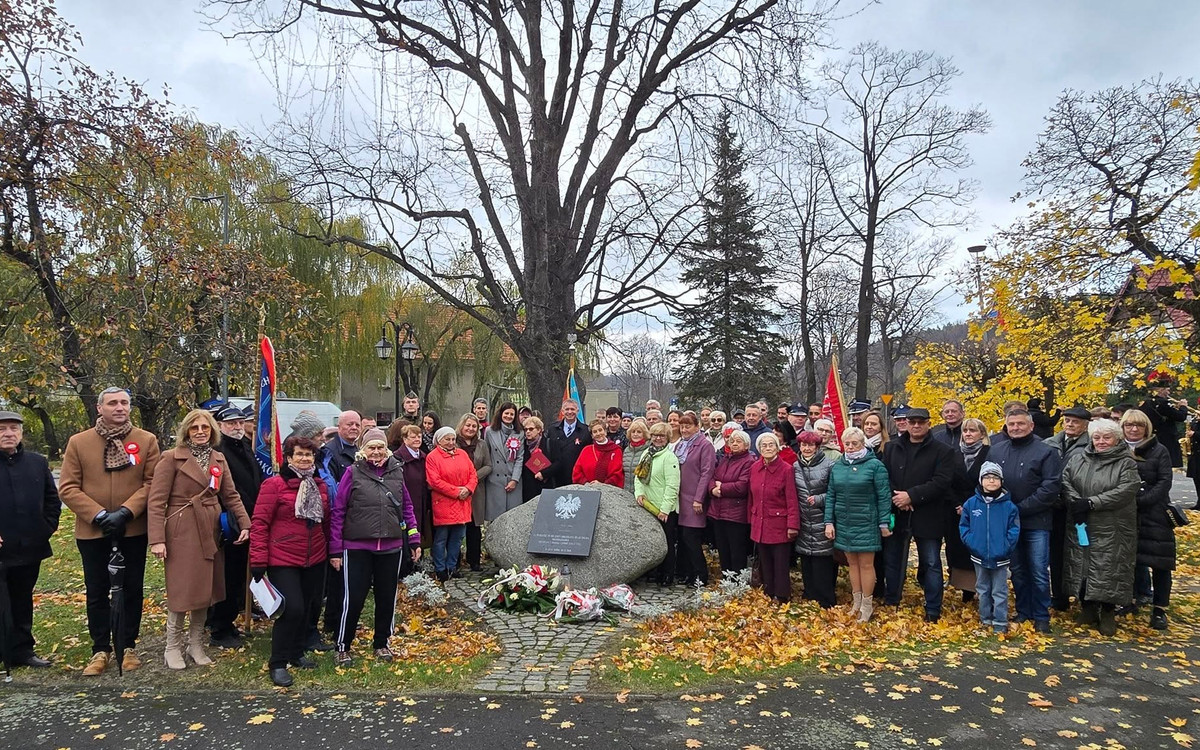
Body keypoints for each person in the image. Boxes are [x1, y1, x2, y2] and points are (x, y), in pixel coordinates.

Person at [59, 386, 161, 675]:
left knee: (132, 589)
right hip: (94, 531)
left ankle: (128, 646)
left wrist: (127, 511)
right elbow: (67, 487)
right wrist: (100, 514)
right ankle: (100, 649)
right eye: (113, 403)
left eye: (125, 403)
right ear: (99, 408)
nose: (120, 408)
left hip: (132, 529)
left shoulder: (146, 440)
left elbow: (153, 482)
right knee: (96, 590)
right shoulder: (79, 443)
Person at [147, 408, 251, 670]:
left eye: (205, 428)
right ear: (186, 431)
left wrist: (246, 524)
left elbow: (231, 495)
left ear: (212, 431)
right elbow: (157, 501)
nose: (201, 432)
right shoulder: (171, 458)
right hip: (181, 529)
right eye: (195, 428)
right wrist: (157, 539)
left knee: (208, 589)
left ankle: (195, 644)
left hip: (211, 529)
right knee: (183, 588)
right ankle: (172, 646)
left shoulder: (218, 458)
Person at [328, 428, 421, 666]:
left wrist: (413, 538)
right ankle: (343, 645)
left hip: (390, 546)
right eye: (372, 447)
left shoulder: (396, 472)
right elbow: (339, 511)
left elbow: (406, 507)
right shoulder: (352, 473)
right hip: (357, 546)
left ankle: (381, 643)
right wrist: (336, 549)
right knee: (354, 598)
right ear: (363, 450)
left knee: (386, 597)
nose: (377, 452)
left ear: (387, 449)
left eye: (380, 447)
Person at [250, 436, 331, 686]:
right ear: (288, 458)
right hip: (282, 557)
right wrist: (258, 559)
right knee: (292, 608)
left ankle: (296, 653)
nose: (305, 459)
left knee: (307, 608)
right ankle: (278, 662)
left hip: (315, 557)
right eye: (300, 454)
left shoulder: (320, 485)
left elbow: (325, 522)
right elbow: (260, 523)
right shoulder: (274, 485)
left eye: (309, 455)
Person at [1061, 419, 1140, 636]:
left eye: (1106, 437)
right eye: (1097, 437)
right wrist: (1076, 501)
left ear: (1116, 439)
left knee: (1109, 568)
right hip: (1082, 521)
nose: (1101, 442)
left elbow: (1127, 489)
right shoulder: (1079, 458)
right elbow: (1066, 479)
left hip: (1113, 525)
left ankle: (1107, 613)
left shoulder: (1126, 462)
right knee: (1082, 565)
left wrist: (1093, 502)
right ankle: (1087, 608)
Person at [987, 408, 1062, 633]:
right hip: (1008, 522)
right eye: (1012, 425)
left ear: (1030, 426)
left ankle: (1041, 615)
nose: (1016, 428)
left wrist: (1020, 508)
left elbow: (1050, 487)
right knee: (1018, 569)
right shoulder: (997, 451)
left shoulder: (1046, 451)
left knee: (1038, 569)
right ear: (1006, 427)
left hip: (1036, 521)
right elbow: (988, 481)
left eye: (1020, 424)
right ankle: (1024, 610)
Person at [880, 407, 957, 622]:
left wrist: (912, 496)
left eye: (920, 422)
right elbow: (884, 476)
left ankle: (933, 608)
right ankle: (891, 599)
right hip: (898, 510)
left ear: (928, 424)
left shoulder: (943, 451)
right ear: (903, 423)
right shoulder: (892, 448)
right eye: (911, 421)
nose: (915, 426)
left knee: (931, 562)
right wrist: (899, 498)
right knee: (893, 559)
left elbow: (941, 481)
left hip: (928, 513)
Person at [0, 410, 61, 668]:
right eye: (2, 429)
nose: (8, 434)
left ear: (21, 433)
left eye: (14, 428)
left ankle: (22, 651)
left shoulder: (36, 462)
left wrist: (44, 528)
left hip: (29, 547)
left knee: (22, 599)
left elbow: (51, 500)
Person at [208, 403, 263, 649]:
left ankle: (229, 619)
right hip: (230, 522)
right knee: (227, 576)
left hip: (248, 519)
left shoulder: (244, 448)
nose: (237, 427)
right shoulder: (218, 451)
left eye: (240, 422)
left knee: (239, 574)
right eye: (231, 423)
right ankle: (220, 626)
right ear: (220, 426)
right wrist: (245, 515)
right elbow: (228, 490)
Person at [826, 427, 893, 622]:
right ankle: (856, 602)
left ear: (863, 443)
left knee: (866, 564)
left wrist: (883, 522)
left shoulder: (875, 466)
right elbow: (831, 495)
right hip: (844, 521)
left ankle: (867, 604)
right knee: (852, 563)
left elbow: (884, 496)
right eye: (847, 443)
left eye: (855, 443)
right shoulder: (838, 466)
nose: (851, 447)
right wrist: (829, 522)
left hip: (866, 521)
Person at [1120, 409, 1176, 630]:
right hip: (1126, 513)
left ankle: (1160, 609)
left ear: (1146, 428)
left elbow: (1164, 481)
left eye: (1139, 426)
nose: (1134, 429)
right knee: (1131, 560)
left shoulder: (1159, 450)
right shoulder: (1118, 449)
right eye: (1129, 425)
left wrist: (1142, 500)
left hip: (1155, 513)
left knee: (1161, 563)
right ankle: (1131, 600)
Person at [958, 461, 1020, 634]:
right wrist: (971, 542)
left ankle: (1000, 622)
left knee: (999, 591)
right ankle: (986, 619)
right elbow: (964, 525)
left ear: (1001, 481)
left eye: (995, 478)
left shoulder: (1009, 506)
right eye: (987, 477)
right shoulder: (971, 504)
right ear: (981, 480)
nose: (991, 481)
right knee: (983, 588)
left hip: (1000, 556)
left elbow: (1014, 530)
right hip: (979, 555)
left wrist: (1006, 547)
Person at [318, 409, 361, 647]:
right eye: (349, 425)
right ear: (339, 427)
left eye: (357, 424)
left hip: (357, 522)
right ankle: (333, 621)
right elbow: (331, 488)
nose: (354, 428)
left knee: (348, 575)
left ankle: (342, 617)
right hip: (339, 520)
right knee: (337, 576)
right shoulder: (330, 452)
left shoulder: (359, 451)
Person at [1044, 405, 1091, 610]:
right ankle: (1059, 596)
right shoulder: (1051, 443)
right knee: (1056, 553)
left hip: (1079, 508)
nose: (1070, 425)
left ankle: (1084, 596)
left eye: (1075, 422)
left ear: (1086, 425)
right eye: (1067, 421)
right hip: (1054, 508)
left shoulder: (1091, 445)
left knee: (1081, 552)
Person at [748, 433, 800, 603]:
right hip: (760, 521)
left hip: (779, 523)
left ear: (777, 448)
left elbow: (792, 499)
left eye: (771, 445)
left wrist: (793, 525)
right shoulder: (755, 468)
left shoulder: (786, 469)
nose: (768, 448)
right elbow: (751, 496)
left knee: (780, 562)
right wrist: (751, 519)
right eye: (764, 445)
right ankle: (769, 592)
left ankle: (782, 595)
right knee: (765, 560)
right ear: (759, 448)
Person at [426, 425, 477, 582]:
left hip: (463, 503)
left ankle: (452, 566)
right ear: (439, 441)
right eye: (447, 439)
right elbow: (434, 481)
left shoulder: (462, 454)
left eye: (453, 439)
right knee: (441, 538)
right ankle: (440, 568)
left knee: (457, 538)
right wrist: (456, 492)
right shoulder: (433, 457)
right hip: (444, 503)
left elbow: (473, 474)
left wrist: (468, 489)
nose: (450, 442)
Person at [947, 417, 990, 602]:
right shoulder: (954, 454)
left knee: (979, 549)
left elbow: (991, 482)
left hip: (982, 508)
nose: (968, 434)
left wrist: (971, 506)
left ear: (982, 433)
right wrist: (958, 504)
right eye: (965, 431)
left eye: (973, 430)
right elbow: (947, 481)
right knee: (959, 549)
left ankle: (984, 589)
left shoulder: (990, 453)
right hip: (957, 509)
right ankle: (966, 589)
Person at [634, 422, 681, 586]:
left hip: (663, 509)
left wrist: (665, 509)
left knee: (667, 543)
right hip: (648, 505)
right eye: (655, 435)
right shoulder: (646, 453)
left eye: (661, 436)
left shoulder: (669, 457)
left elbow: (673, 486)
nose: (658, 438)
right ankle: (654, 572)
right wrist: (639, 493)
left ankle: (667, 575)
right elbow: (638, 476)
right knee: (652, 541)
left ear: (667, 438)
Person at [793, 430, 835, 608]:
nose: (806, 448)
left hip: (821, 517)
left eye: (810, 445)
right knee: (806, 557)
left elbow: (835, 492)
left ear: (817, 447)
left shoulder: (829, 465)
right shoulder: (795, 466)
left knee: (822, 559)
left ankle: (825, 598)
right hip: (803, 517)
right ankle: (809, 593)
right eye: (803, 445)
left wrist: (819, 499)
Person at [674, 412, 716, 586]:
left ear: (697, 427)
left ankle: (701, 575)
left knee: (692, 538)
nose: (684, 429)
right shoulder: (680, 445)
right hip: (680, 497)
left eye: (688, 426)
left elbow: (707, 472)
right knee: (683, 540)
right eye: (682, 426)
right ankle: (688, 573)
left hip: (694, 498)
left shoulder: (704, 445)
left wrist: (699, 498)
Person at [708, 429, 753, 575]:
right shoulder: (725, 458)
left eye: (738, 441)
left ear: (746, 445)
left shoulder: (749, 461)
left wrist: (722, 488)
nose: (734, 444)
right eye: (732, 441)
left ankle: (737, 581)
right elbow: (713, 477)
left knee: (736, 550)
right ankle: (726, 578)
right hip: (718, 511)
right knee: (723, 549)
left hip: (736, 514)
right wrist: (713, 489)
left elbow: (742, 486)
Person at [394, 424, 432, 571]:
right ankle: (406, 568)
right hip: (408, 502)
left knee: (419, 533)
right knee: (408, 532)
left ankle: (418, 564)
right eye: (413, 436)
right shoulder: (398, 458)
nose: (417, 439)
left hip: (422, 501)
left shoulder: (423, 457)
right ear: (404, 439)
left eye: (419, 436)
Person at [457, 414, 492, 572]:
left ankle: (474, 560)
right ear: (462, 426)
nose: (470, 429)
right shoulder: (453, 442)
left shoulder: (482, 444)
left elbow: (488, 465)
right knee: (457, 527)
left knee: (474, 527)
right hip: (458, 490)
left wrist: (473, 477)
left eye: (474, 426)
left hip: (476, 490)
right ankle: (455, 561)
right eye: (468, 425)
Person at [484, 402, 524, 521]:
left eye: (512, 414)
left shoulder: (520, 433)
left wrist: (514, 480)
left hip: (513, 480)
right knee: (495, 518)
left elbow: (519, 458)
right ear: (501, 413)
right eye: (506, 413)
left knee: (513, 519)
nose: (509, 416)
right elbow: (487, 454)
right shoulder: (489, 431)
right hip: (495, 480)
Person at [1139, 379, 1188, 467]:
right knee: (1165, 466)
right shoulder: (1163, 403)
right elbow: (1180, 417)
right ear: (1161, 390)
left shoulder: (1146, 403)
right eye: (1167, 390)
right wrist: (1183, 407)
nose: (1169, 393)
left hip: (1151, 438)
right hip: (1167, 439)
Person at [547, 399, 592, 486]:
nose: (570, 412)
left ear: (577, 411)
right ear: (562, 411)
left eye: (572, 409)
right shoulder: (552, 429)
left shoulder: (586, 431)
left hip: (576, 477)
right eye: (567, 409)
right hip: (555, 477)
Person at [573, 420, 625, 487]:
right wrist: (587, 484)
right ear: (592, 436)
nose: (598, 433)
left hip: (609, 491)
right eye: (595, 432)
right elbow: (577, 472)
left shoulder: (616, 450)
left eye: (600, 430)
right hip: (587, 489)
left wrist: (602, 485)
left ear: (605, 432)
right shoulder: (586, 450)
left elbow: (618, 474)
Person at [520, 416, 553, 502]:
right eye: (526, 429)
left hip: (545, 487)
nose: (528, 432)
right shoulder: (523, 446)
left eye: (531, 429)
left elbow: (558, 463)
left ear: (539, 430)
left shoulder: (549, 443)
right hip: (528, 490)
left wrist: (544, 474)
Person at [622, 420, 650, 496]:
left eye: (639, 432)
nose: (635, 434)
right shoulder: (626, 450)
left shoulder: (648, 451)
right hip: (626, 492)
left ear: (644, 434)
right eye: (633, 432)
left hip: (643, 494)